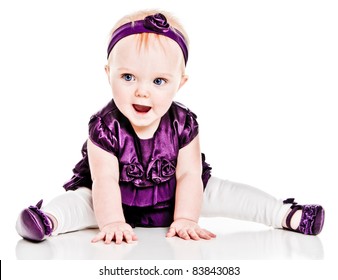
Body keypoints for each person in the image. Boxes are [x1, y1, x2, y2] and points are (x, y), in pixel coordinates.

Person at [16, 10, 325, 244]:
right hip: (112, 199)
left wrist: (186, 218)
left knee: (225, 193)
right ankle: (47, 220)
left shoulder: (184, 123)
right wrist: (111, 223)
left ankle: (284, 214)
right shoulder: (104, 126)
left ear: (180, 83)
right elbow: (104, 178)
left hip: (177, 194)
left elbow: (189, 174)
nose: (142, 91)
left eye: (159, 81)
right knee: (81, 202)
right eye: (128, 77)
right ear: (108, 73)